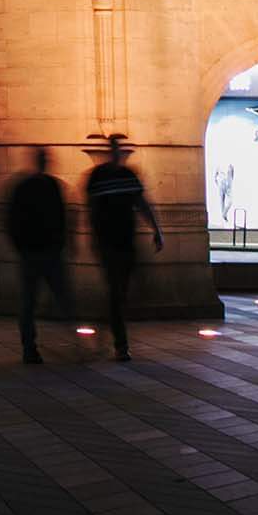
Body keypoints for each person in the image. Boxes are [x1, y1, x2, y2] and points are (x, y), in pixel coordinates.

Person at [85, 134, 163, 361]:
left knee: (120, 292)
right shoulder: (99, 176)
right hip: (109, 243)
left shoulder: (126, 176)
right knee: (117, 292)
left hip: (124, 242)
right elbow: (92, 209)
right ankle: (120, 343)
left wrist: (157, 230)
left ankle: (110, 326)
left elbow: (142, 204)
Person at [4, 148, 71, 364]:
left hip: (42, 251)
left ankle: (34, 346)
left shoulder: (43, 185)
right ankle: (31, 347)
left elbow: (62, 217)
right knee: (34, 301)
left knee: (35, 301)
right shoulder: (42, 186)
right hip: (39, 252)